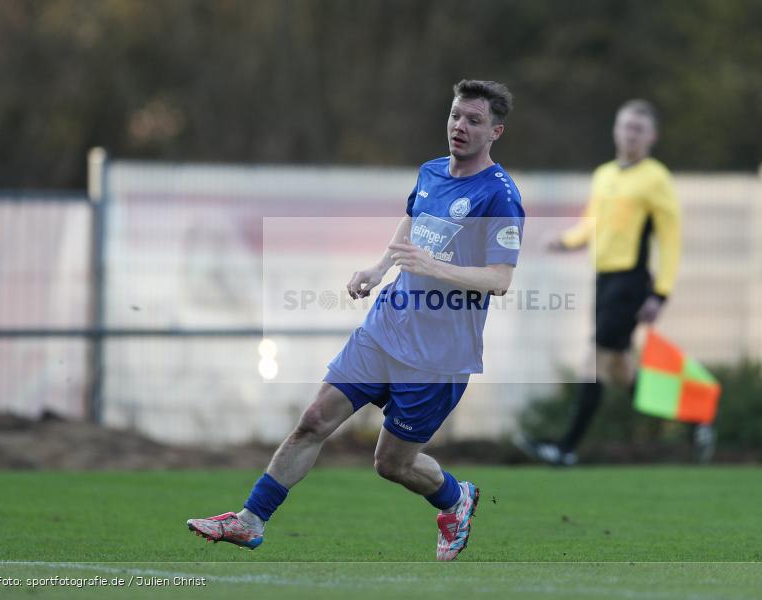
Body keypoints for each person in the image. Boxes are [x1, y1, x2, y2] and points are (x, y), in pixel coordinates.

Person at [187, 80, 524, 561]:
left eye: (474, 120)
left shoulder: (500, 196)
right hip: (385, 330)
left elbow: (500, 279)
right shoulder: (431, 171)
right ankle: (249, 520)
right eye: (455, 115)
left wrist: (433, 267)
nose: (460, 126)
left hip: (438, 358)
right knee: (313, 420)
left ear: (495, 132)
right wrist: (379, 267)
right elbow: (411, 222)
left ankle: (455, 499)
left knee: (391, 464)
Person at [519, 99, 706, 465]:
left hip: (631, 282)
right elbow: (591, 224)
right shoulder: (604, 174)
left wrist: (661, 293)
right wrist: (564, 241)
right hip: (604, 280)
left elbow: (670, 239)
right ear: (615, 130)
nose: (630, 134)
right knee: (621, 369)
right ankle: (696, 420)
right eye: (625, 126)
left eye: (639, 129)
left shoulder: (656, 178)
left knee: (594, 360)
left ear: (652, 137)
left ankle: (565, 448)